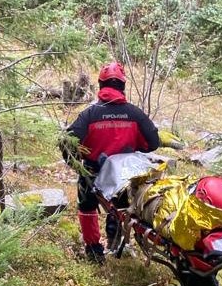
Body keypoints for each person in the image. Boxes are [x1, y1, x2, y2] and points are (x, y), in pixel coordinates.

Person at [61, 62, 160, 263]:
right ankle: (116, 246)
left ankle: (94, 252)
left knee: (87, 208)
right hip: (123, 176)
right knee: (120, 209)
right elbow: (153, 142)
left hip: (92, 171)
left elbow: (67, 142)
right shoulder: (134, 113)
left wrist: (76, 165)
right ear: (122, 86)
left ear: (101, 85)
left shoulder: (89, 114)